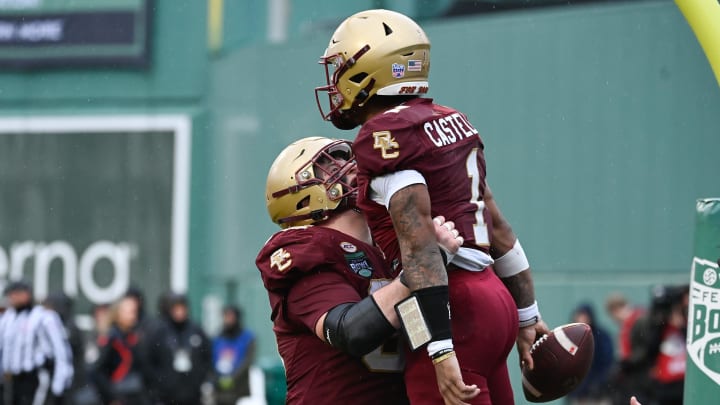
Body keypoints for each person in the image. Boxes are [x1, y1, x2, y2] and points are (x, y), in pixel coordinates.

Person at [315, 9, 549, 404]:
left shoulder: (385, 136)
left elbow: (421, 246)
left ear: (369, 70)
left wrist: (441, 349)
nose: (335, 82)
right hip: (493, 297)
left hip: (449, 307)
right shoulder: (450, 120)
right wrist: (527, 315)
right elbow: (498, 228)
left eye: (341, 69)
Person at [257, 136, 463, 404]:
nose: (352, 167)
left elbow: (408, 333)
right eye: (332, 166)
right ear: (300, 195)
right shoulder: (307, 249)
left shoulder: (382, 251)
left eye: (348, 159)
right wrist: (422, 265)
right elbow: (350, 331)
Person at [0, 280, 73, 404]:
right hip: (10, 381)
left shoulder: (43, 317)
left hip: (33, 379)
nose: (12, 297)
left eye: (16, 293)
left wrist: (58, 385)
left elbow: (61, 352)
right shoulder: (7, 317)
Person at [143, 292, 212, 405]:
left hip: (192, 394)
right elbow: (149, 360)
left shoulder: (196, 331)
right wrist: (161, 381)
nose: (179, 312)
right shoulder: (160, 332)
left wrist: (200, 379)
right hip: (166, 395)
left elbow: (207, 357)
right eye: (176, 308)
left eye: (182, 308)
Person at [92, 295, 149, 405]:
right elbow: (97, 371)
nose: (133, 316)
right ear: (118, 314)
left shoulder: (133, 337)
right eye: (129, 312)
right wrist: (112, 398)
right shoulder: (110, 338)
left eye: (134, 312)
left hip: (132, 395)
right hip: (116, 395)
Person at [567, 303, 614, 405]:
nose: (582, 318)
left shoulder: (601, 336)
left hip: (599, 393)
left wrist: (596, 384)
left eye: (584, 315)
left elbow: (606, 363)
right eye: (580, 315)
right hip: (578, 394)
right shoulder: (570, 337)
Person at [212, 305, 256, 405]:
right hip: (220, 393)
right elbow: (211, 361)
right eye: (226, 316)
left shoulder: (248, 338)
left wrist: (232, 378)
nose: (228, 320)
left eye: (231, 316)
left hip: (240, 391)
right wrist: (218, 379)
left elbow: (247, 361)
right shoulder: (217, 337)